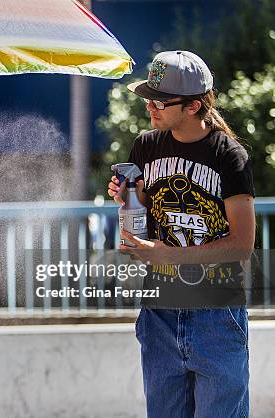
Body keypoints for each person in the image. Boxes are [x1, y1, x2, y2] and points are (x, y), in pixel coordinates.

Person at [107, 51, 255, 418]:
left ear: (193, 106)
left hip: (217, 316)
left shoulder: (229, 155)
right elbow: (143, 210)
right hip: (159, 311)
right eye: (147, 99)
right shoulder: (146, 145)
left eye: (159, 101)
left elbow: (242, 245)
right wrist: (127, 197)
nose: (150, 108)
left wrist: (169, 255)